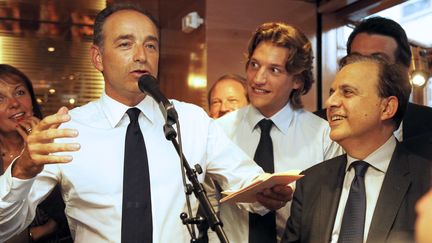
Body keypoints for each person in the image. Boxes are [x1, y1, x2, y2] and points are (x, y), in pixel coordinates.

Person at [0, 3, 292, 243]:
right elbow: (6, 227)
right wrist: (23, 169)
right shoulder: (65, 129)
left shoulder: (190, 120)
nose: (141, 56)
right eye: (126, 44)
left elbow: (247, 182)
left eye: (151, 46)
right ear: (98, 58)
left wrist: (267, 193)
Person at [212, 22, 342, 243]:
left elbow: (331, 211)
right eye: (254, 65)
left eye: (274, 70)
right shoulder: (218, 131)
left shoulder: (323, 136)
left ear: (298, 80)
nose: (257, 79)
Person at [282, 54, 431, 243]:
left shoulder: (426, 179)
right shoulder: (311, 182)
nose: (330, 103)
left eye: (347, 92)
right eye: (332, 93)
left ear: (387, 108)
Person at [314, 16, 432, 141]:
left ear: (404, 69)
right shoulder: (316, 127)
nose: (363, 68)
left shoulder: (428, 123)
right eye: (355, 59)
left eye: (378, 60)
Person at [0, 64, 71, 242]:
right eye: (0, 99)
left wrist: (37, 233)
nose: (14, 103)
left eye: (20, 92)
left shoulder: (58, 143)